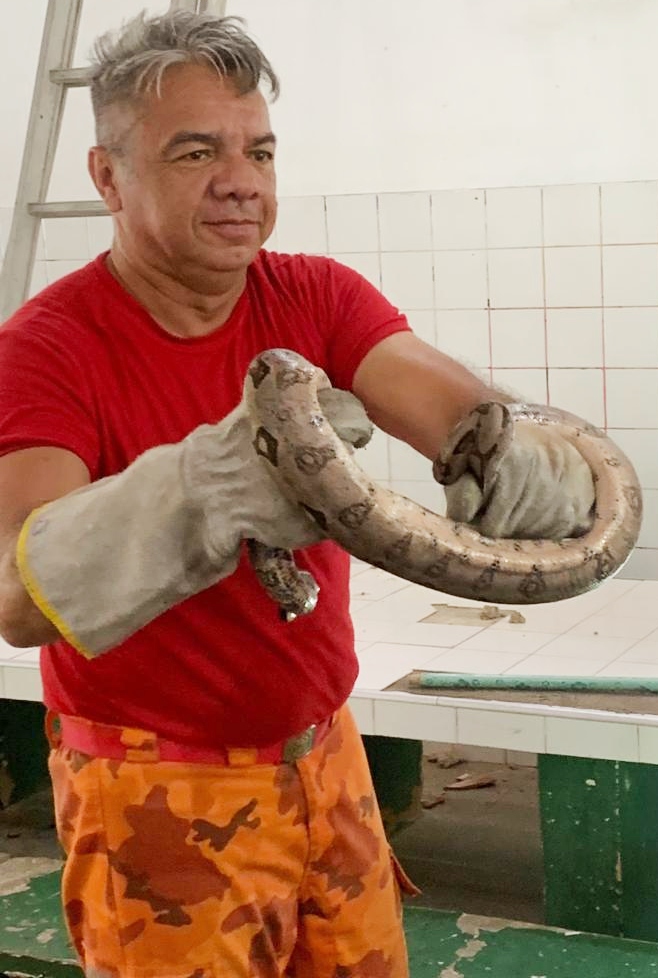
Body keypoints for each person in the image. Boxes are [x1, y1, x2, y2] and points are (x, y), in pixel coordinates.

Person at [0, 10, 595, 978]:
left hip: (325, 760)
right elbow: (18, 596)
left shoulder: (312, 296)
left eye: (260, 152)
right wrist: (205, 488)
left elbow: (445, 401)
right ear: (107, 177)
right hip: (156, 793)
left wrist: (507, 446)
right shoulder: (46, 349)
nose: (242, 181)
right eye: (196, 152)